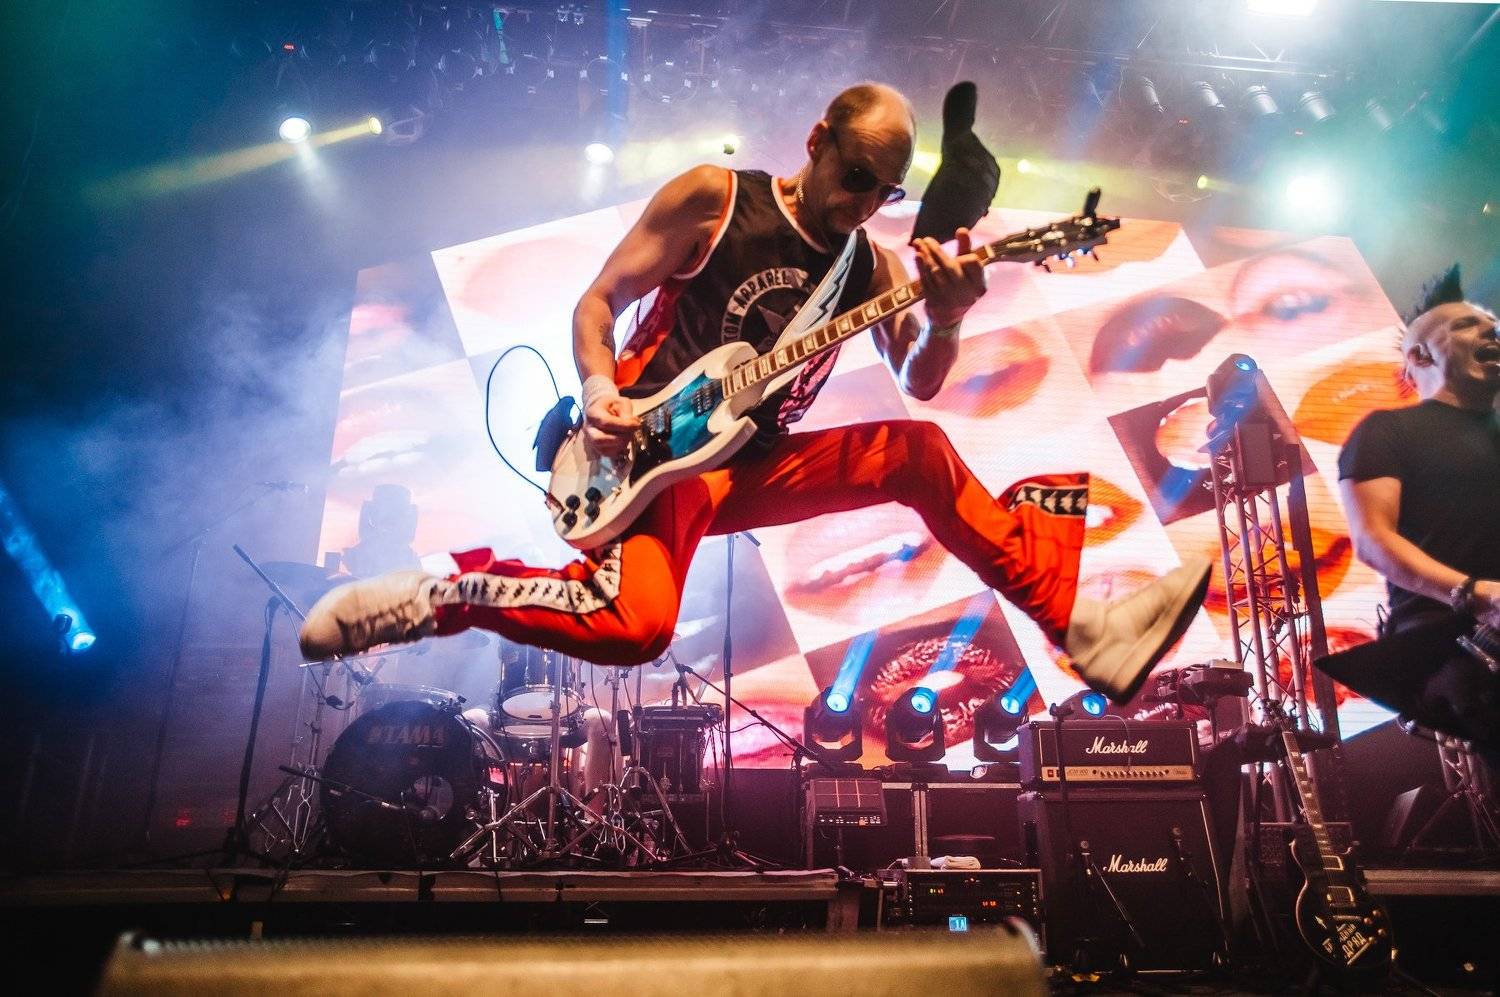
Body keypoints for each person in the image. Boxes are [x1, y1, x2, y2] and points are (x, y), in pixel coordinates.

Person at [300, 82, 1209, 706]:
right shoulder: (717, 199)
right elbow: (598, 301)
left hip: (752, 465)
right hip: (651, 454)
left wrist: (948, 316)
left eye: (884, 191)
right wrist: (598, 388)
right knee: (639, 628)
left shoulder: (869, 268)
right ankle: (441, 594)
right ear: (817, 142)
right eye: (855, 177)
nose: (863, 204)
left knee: (918, 453)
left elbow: (922, 381)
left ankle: (1084, 627)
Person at [1335, 264, 1500, 746]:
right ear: (1420, 354)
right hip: (1464, 646)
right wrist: (1477, 593)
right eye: (1467, 325)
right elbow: (1373, 540)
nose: (1490, 331)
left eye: (1492, 325)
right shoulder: (1388, 431)